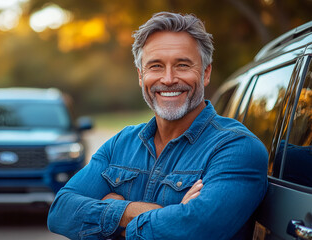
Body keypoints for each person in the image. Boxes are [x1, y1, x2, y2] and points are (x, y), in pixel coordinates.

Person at [47, 12, 268, 240]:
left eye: (182, 65)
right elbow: (61, 212)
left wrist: (114, 215)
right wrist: (160, 214)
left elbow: (194, 231)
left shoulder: (237, 148)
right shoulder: (120, 143)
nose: (169, 79)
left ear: (206, 73)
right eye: (156, 66)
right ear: (141, 76)